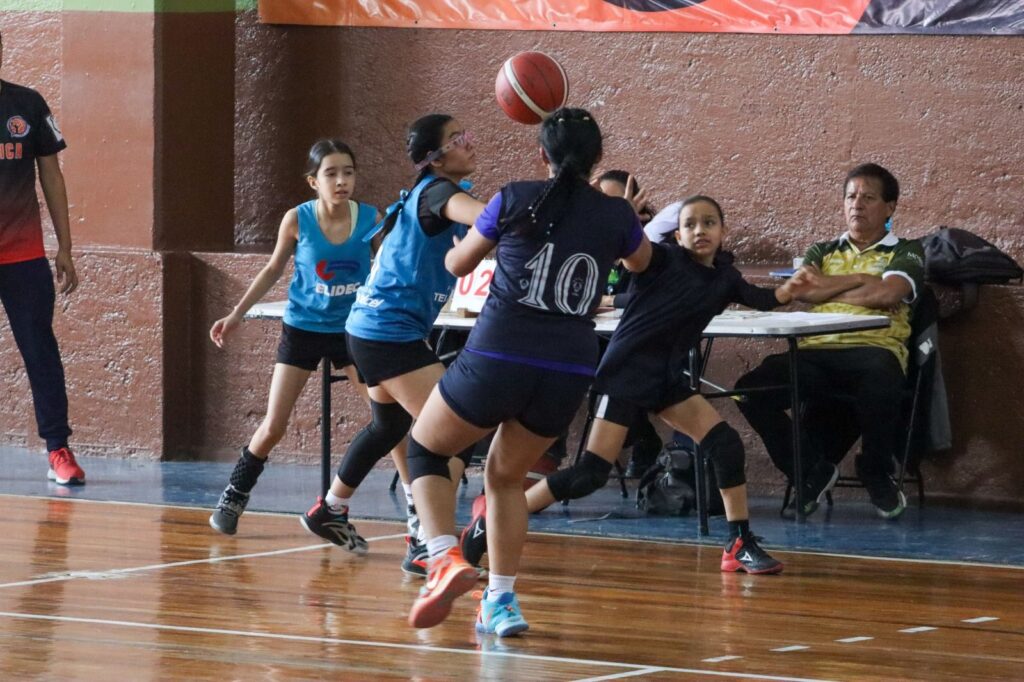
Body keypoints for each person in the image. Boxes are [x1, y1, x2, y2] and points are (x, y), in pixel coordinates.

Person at [405, 107, 652, 636]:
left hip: (499, 355)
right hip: (568, 367)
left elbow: (458, 265)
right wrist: (622, 220)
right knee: (506, 478)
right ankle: (500, 602)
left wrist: (465, 247)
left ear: (541, 153)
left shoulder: (515, 197)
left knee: (425, 448)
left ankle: (443, 556)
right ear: (598, 158)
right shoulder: (616, 215)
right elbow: (642, 264)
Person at [464, 195, 804, 578]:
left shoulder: (726, 278)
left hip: (666, 380)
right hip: (624, 375)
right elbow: (631, 254)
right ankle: (492, 520)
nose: (700, 230)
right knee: (590, 474)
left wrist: (790, 290)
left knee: (725, 444)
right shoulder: (662, 260)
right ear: (678, 235)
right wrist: (619, 218)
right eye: (690, 224)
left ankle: (738, 543)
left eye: (709, 223)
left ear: (723, 231)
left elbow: (764, 299)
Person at [298, 114, 487, 576]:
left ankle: (330, 508)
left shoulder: (426, 194)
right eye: (457, 138)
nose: (468, 142)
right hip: (387, 333)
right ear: (435, 157)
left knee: (389, 427)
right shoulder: (440, 192)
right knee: (456, 434)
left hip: (368, 328)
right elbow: (490, 220)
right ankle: (426, 541)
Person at [208, 139, 407, 548]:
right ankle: (234, 496)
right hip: (302, 329)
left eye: (348, 172)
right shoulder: (297, 219)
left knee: (391, 422)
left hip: (353, 332)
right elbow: (271, 269)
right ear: (313, 182)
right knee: (274, 424)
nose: (341, 181)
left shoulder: (371, 219)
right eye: (331, 174)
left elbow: (390, 269)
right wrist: (237, 313)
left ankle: (417, 513)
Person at [735, 163, 925, 520]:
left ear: (890, 207)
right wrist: (861, 280)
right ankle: (810, 470)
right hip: (815, 350)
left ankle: (875, 469)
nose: (857, 205)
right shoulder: (822, 250)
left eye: (868, 198)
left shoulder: (906, 250)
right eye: (851, 197)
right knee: (749, 389)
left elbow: (888, 293)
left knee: (882, 375)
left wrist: (828, 290)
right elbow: (803, 291)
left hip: (874, 349)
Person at [0, 30, 84, 485]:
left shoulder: (28, 104)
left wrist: (64, 246)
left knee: (41, 353)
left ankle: (58, 449)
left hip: (23, 256)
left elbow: (51, 175)